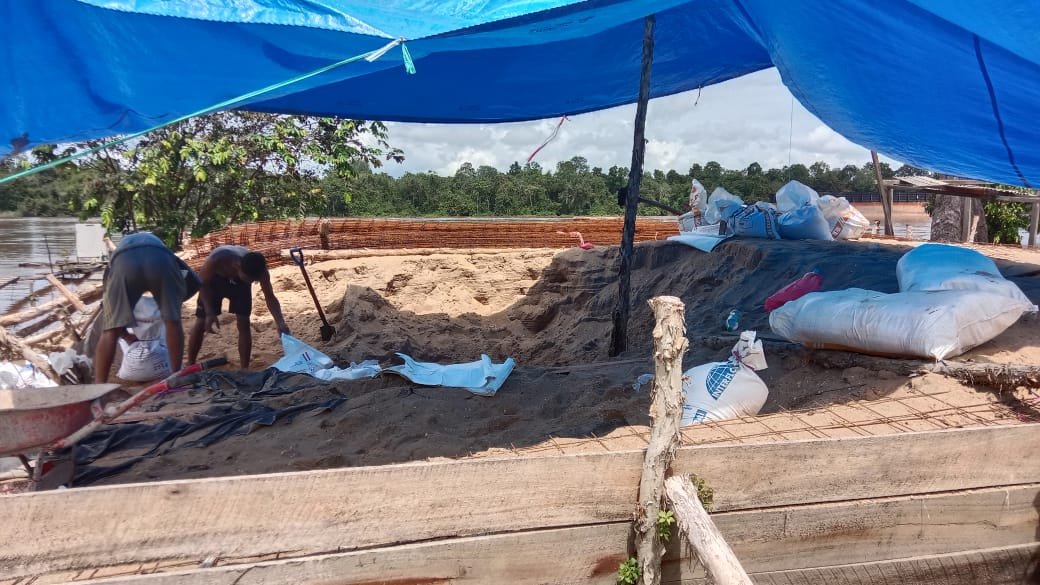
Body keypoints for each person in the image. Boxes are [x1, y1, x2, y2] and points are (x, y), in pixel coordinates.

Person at [95, 232, 200, 383]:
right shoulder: (166, 253)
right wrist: (171, 304)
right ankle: (175, 376)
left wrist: (125, 334)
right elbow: (195, 283)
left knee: (110, 331)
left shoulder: (113, 262)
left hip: (124, 263)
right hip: (160, 260)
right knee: (172, 322)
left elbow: (109, 308)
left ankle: (99, 386)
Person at [187, 246, 290, 369]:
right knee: (201, 322)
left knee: (244, 322)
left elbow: (270, 297)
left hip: (240, 287)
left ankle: (244, 369)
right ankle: (190, 364)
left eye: (254, 281)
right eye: (249, 279)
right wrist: (209, 312)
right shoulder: (217, 259)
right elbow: (202, 283)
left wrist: (280, 322)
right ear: (238, 266)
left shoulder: (260, 271)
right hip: (213, 283)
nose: (251, 282)